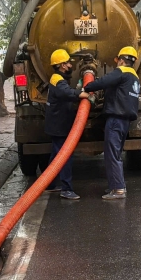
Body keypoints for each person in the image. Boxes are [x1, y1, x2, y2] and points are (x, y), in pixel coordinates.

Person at [84, 46, 141, 200]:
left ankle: (118, 189)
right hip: (125, 121)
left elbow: (104, 81)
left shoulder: (121, 72)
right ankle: (117, 185)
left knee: (111, 155)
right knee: (116, 154)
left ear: (122, 60)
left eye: (118, 60)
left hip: (115, 119)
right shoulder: (135, 77)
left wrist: (87, 86)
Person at [45, 49, 90, 200]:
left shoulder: (58, 78)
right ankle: (66, 189)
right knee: (65, 156)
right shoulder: (57, 79)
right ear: (62, 65)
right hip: (59, 125)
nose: (71, 65)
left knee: (56, 155)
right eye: (68, 62)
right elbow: (66, 93)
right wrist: (82, 94)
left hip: (57, 124)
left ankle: (50, 184)